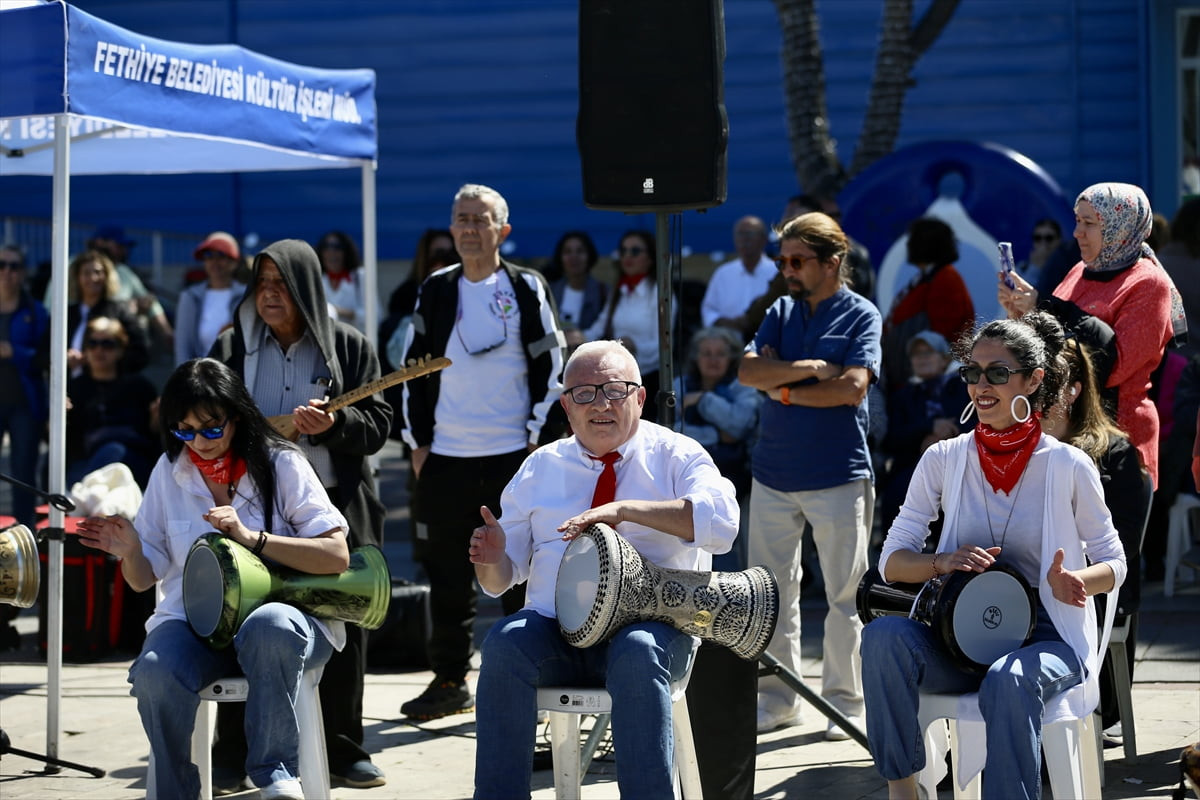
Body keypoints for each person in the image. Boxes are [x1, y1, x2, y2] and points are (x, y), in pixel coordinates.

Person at [861, 311, 1127, 800]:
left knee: (1009, 679)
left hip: (1046, 637)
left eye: (998, 373)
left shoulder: (1068, 464)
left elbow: (1115, 559)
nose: (982, 385)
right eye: (972, 373)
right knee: (882, 638)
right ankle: (904, 791)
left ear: (1033, 379)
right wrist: (943, 563)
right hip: (957, 635)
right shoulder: (943, 458)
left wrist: (1081, 581)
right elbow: (891, 562)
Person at [468, 340, 740, 799]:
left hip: (654, 632)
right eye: (585, 393)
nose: (601, 405)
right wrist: (492, 559)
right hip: (559, 634)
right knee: (504, 644)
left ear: (639, 397)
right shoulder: (540, 467)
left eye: (615, 390)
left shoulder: (676, 454)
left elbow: (723, 524)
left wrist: (627, 511)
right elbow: (499, 583)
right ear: (566, 406)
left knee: (636, 650)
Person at [72, 357, 351, 800]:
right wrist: (128, 552)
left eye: (210, 428)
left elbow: (336, 555)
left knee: (270, 626)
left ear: (236, 417)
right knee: (153, 672)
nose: (198, 442)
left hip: (287, 628)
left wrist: (251, 538)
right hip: (195, 626)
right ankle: (175, 790)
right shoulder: (169, 470)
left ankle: (277, 777)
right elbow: (144, 579)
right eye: (184, 430)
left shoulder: (282, 463)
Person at [209, 239, 392, 789]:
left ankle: (342, 748)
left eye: (281, 283)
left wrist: (335, 427)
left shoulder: (347, 346)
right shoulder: (233, 345)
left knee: (345, 619)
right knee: (244, 615)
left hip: (333, 508)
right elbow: (210, 417)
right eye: (261, 282)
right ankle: (234, 749)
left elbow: (380, 424)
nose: (269, 294)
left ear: (307, 289)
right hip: (254, 508)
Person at [399, 183, 565, 720]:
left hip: (511, 454)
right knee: (446, 575)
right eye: (461, 218)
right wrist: (418, 443)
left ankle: (530, 679)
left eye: (481, 219)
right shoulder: (436, 289)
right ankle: (449, 679)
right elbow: (411, 371)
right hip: (445, 457)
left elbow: (553, 367)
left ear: (503, 231)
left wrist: (537, 438)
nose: (470, 227)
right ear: (451, 229)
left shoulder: (526, 287)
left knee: (519, 570)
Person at [737, 211, 882, 737]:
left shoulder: (861, 314)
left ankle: (845, 701)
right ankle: (777, 700)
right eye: (782, 260)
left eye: (797, 261)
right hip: (773, 471)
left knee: (847, 595)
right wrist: (805, 371)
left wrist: (781, 388)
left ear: (833, 262)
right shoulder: (779, 308)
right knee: (770, 592)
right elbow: (747, 370)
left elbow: (850, 389)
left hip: (839, 473)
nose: (786, 270)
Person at [999, 182, 1187, 489]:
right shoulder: (1080, 271)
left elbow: (1113, 369)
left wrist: (1046, 307)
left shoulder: (1148, 284)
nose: (1077, 233)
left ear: (1120, 227)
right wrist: (1021, 313)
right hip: (1066, 432)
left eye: (1089, 223)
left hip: (1118, 437)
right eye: (1077, 220)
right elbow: (1050, 341)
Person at [1041, 335, 1150, 736]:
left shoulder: (1114, 453)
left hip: (1092, 592)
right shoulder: (1012, 448)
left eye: (1048, 384)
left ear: (1073, 390)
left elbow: (1122, 547)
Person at [879, 330, 971, 533]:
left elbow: (978, 423)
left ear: (944, 358)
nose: (921, 358)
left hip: (962, 464)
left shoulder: (965, 387)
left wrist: (945, 439)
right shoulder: (903, 396)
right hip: (914, 465)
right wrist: (928, 428)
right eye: (916, 354)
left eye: (928, 352)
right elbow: (891, 438)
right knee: (898, 494)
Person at [881, 216, 975, 392]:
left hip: (928, 386)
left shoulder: (946, 279)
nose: (908, 246)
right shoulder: (924, 277)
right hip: (907, 382)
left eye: (913, 240)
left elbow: (942, 336)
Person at [66, 316, 160, 488]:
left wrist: (157, 418)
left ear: (120, 350)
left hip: (132, 461)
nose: (99, 350)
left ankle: (83, 494)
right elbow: (61, 439)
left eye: (107, 344)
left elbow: (153, 435)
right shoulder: (74, 388)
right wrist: (61, 416)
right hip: (86, 461)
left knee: (114, 451)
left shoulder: (140, 386)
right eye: (92, 344)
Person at [584, 229, 667, 422]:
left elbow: (665, 346)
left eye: (635, 251)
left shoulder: (660, 293)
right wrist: (577, 337)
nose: (627, 256)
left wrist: (634, 347)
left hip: (650, 382)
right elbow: (597, 329)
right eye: (623, 251)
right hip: (616, 380)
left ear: (650, 257)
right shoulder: (619, 291)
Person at [676, 325, 760, 497]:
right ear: (695, 357)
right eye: (706, 353)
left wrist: (703, 399)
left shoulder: (744, 387)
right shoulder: (679, 385)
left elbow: (739, 428)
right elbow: (668, 431)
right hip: (686, 473)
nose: (713, 360)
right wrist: (716, 435)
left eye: (720, 354)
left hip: (735, 476)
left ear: (731, 358)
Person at [0, 244, 49, 529]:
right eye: (2, 265)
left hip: (25, 403)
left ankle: (23, 537)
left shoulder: (35, 310)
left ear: (23, 272)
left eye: (14, 266)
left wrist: (13, 351)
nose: (7, 271)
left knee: (22, 473)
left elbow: (44, 356)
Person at [86, 224, 174, 349]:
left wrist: (167, 333)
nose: (124, 250)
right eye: (119, 245)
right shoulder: (70, 267)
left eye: (125, 247)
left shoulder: (123, 271)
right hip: (85, 346)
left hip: (116, 347)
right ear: (100, 242)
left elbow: (150, 303)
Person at [65, 250, 149, 377]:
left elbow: (141, 352)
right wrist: (64, 359)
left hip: (110, 391)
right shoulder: (65, 315)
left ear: (107, 276)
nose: (93, 278)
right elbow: (42, 355)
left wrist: (104, 360)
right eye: (86, 273)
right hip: (70, 390)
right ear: (77, 278)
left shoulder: (120, 311)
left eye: (98, 272)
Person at [174, 232, 246, 365]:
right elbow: (183, 347)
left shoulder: (247, 296)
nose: (215, 262)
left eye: (221, 255)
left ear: (235, 262)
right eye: (208, 256)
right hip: (201, 379)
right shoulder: (190, 297)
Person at [700, 216, 775, 330]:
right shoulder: (723, 273)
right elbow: (708, 310)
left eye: (749, 234)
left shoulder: (776, 272)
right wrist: (724, 322)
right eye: (740, 234)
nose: (744, 239)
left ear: (763, 239)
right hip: (729, 340)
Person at [315, 230, 376, 335]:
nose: (331, 252)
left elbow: (375, 317)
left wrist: (341, 312)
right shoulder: (317, 280)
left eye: (337, 247)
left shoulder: (359, 277)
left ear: (346, 252)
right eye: (326, 247)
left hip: (356, 342)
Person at [546, 230, 608, 333]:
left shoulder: (604, 292)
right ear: (560, 257)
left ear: (590, 256)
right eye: (567, 252)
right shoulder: (548, 292)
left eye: (580, 251)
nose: (573, 257)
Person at [1015, 218, 1062, 290]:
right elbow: (1018, 294)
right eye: (1038, 238)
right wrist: (1035, 267)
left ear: (1058, 240)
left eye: (1049, 238)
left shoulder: (1065, 267)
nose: (1043, 243)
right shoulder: (1022, 267)